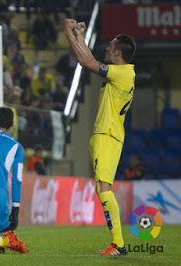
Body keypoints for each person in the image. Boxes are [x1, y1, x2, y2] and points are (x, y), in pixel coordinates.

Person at [64, 18, 136, 256]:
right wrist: (81, 36)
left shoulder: (123, 73)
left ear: (118, 53)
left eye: (110, 45)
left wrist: (68, 32)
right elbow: (90, 60)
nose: (106, 47)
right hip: (104, 134)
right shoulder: (120, 72)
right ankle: (117, 243)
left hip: (109, 134)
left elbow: (86, 62)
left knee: (104, 187)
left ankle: (118, 244)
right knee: (101, 187)